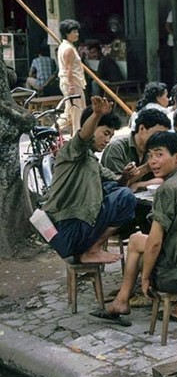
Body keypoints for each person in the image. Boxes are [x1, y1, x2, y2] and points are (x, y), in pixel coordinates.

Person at [96, 131, 177, 325]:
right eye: (150, 155)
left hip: (174, 279)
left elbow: (154, 243)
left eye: (159, 154)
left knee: (136, 240)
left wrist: (145, 279)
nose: (152, 161)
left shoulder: (167, 190)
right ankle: (130, 302)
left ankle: (122, 300)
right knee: (143, 240)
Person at [43, 97, 138, 264]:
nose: (108, 140)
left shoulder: (92, 161)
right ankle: (93, 250)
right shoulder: (72, 150)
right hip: (66, 229)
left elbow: (115, 184)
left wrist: (125, 176)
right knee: (126, 196)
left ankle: (91, 249)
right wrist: (96, 114)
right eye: (105, 133)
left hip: (74, 229)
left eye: (111, 135)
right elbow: (83, 138)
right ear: (92, 127)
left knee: (115, 189)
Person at [101, 108, 171, 190]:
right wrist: (146, 168)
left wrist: (141, 184)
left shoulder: (157, 150)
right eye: (157, 134)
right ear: (142, 129)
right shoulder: (116, 149)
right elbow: (114, 184)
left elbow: (166, 178)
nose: (160, 139)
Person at [57, 19, 87, 135]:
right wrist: (71, 86)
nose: (76, 34)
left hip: (72, 82)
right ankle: (76, 136)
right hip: (72, 83)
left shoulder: (65, 46)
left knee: (70, 113)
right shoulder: (68, 49)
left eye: (77, 31)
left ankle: (51, 130)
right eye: (73, 32)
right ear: (66, 33)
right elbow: (69, 68)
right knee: (77, 113)